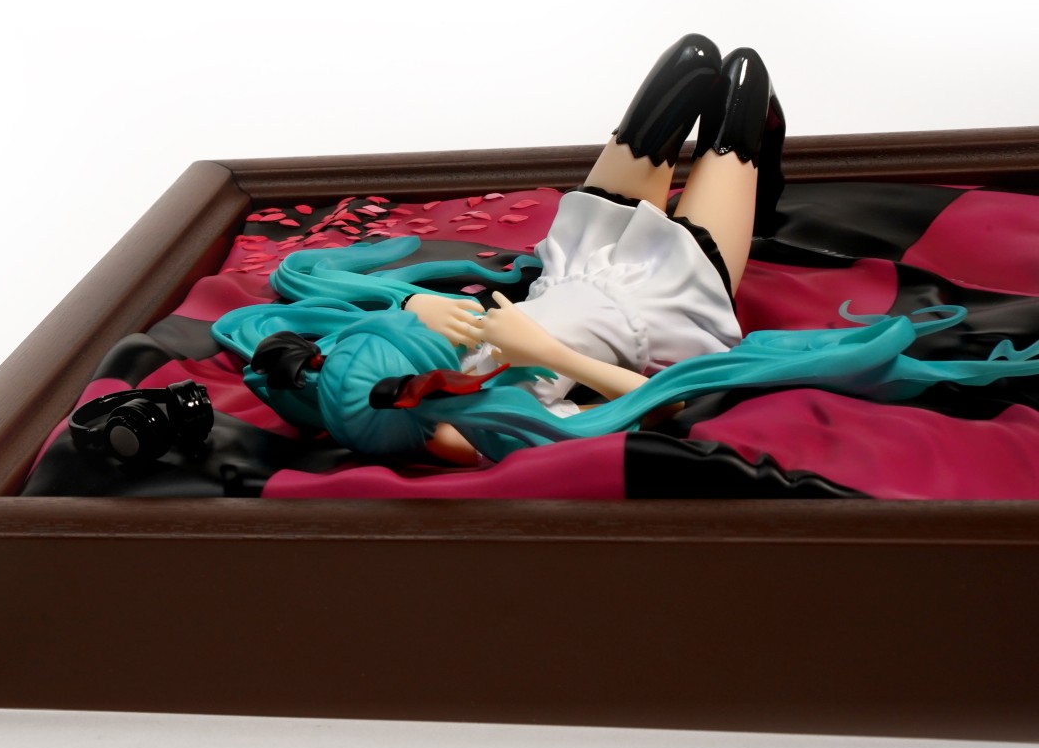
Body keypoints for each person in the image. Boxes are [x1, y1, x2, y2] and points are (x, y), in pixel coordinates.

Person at [211, 35, 1039, 463]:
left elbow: (305, 336)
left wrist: (415, 306)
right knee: (741, 88)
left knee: (691, 68)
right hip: (664, 299)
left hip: (577, 261)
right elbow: (656, 403)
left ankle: (751, 176)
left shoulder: (370, 371)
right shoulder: (473, 425)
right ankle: (758, 177)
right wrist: (540, 352)